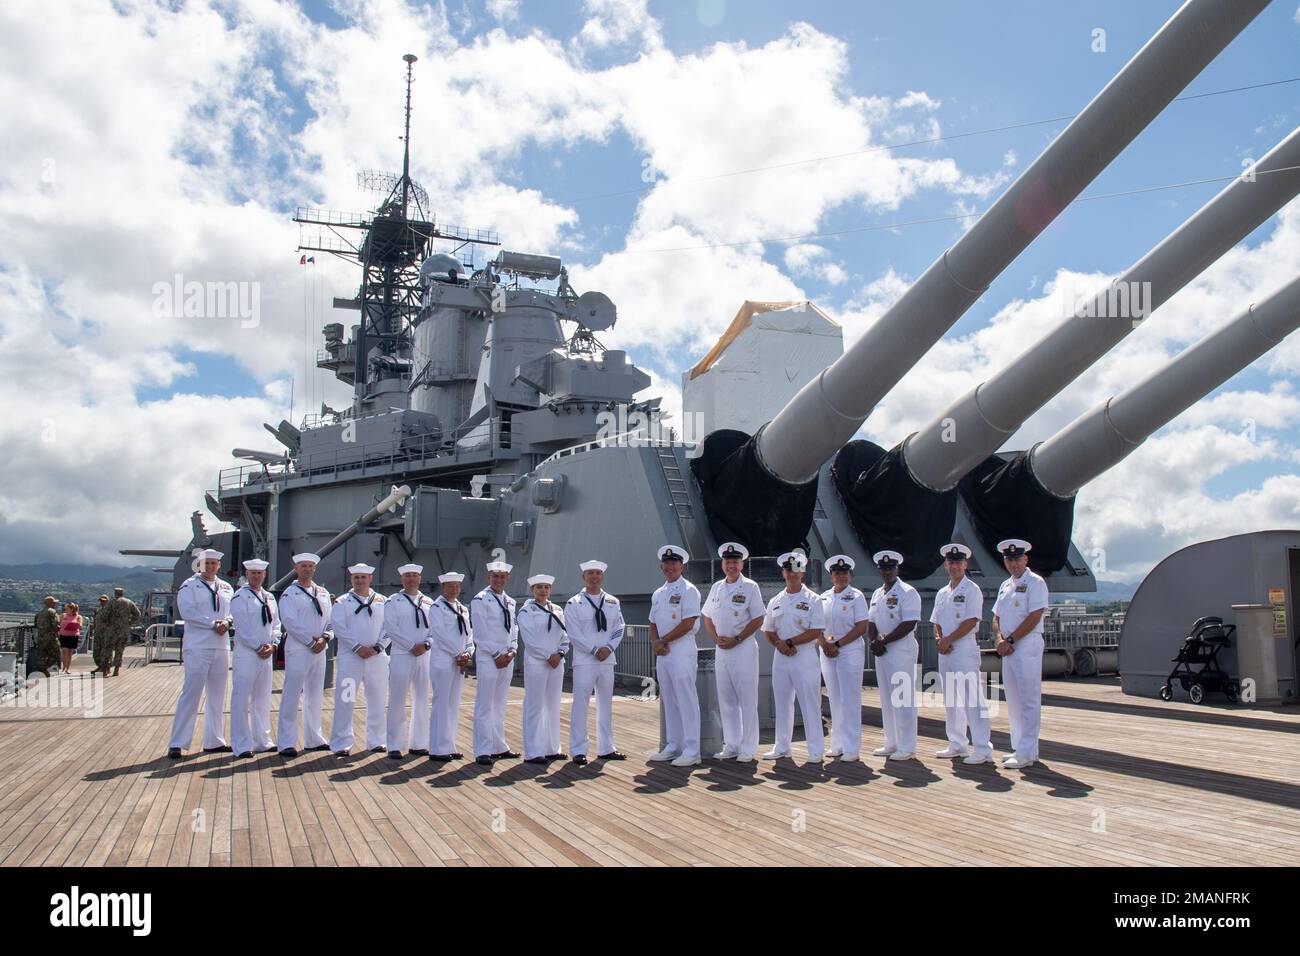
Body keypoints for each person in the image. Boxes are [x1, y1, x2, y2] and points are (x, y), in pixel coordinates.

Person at [700, 542, 764, 762]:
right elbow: (707, 615)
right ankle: (732, 744)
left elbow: (758, 618)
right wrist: (715, 637)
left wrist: (737, 638)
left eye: (735, 562)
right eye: (728, 562)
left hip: (743, 648)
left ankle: (748, 747)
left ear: (742, 564)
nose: (731, 566)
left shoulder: (750, 587)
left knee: (747, 699)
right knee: (726, 700)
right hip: (722, 650)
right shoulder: (717, 587)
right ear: (723, 564)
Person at [167, 549, 234, 758]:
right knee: (191, 693)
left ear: (219, 565)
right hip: (198, 645)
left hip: (221, 646)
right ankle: (177, 742)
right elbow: (187, 611)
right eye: (207, 563)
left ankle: (214, 741)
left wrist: (228, 622)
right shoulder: (189, 585)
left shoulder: (226, 587)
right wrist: (213, 623)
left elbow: (233, 611)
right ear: (200, 564)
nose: (210, 566)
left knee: (217, 695)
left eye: (214, 563)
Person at [931, 544, 993, 764]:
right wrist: (939, 639)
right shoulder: (942, 592)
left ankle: (983, 747)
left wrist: (948, 639)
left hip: (964, 648)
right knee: (951, 698)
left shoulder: (972, 589)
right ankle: (957, 743)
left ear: (965, 564)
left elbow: (971, 620)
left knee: (972, 698)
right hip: (945, 650)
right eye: (951, 562)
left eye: (959, 562)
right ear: (946, 564)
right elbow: (936, 621)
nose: (955, 566)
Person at [762, 551, 826, 763]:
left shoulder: (814, 600)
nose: (793, 574)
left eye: (797, 569)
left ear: (803, 572)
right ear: (783, 572)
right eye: (789, 570)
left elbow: (816, 630)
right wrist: (780, 645)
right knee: (782, 702)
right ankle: (782, 746)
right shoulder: (776, 600)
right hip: (781, 657)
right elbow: (768, 629)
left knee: (810, 703)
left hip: (804, 656)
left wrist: (790, 643)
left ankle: (816, 749)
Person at [993, 538, 1050, 769]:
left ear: (1026, 559)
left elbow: (1035, 615)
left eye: (1017, 559)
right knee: (1014, 699)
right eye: (1009, 559)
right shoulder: (1005, 585)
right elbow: (996, 616)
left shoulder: (1036, 582)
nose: (1013, 563)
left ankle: (1027, 751)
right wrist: (999, 639)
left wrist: (1011, 639)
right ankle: (1020, 747)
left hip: (1026, 645)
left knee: (1028, 698)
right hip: (1008, 648)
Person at [566, 559, 626, 766]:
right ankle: (578, 749)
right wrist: (593, 650)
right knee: (580, 704)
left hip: (607, 659)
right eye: (590, 573)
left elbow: (619, 627)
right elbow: (573, 633)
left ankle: (607, 747)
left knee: (605, 704)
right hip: (585, 660)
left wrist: (608, 648)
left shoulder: (612, 602)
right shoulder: (574, 603)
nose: (594, 577)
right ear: (584, 577)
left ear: (602, 577)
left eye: (598, 573)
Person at [647, 546, 702, 767]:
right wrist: (655, 642)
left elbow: (688, 622)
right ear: (662, 566)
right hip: (664, 651)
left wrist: (663, 641)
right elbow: (652, 621)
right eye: (666, 564)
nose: (670, 567)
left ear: (682, 566)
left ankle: (692, 749)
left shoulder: (689, 590)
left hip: (681, 649)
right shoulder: (659, 593)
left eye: (674, 563)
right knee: (668, 698)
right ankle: (673, 745)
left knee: (686, 698)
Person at [329, 563, 389, 756]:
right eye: (356, 578)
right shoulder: (342, 602)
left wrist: (378, 646)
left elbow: (389, 626)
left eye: (364, 577)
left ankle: (377, 741)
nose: (360, 580)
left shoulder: (382, 601)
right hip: (350, 659)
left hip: (377, 658)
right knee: (346, 699)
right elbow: (338, 627)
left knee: (378, 699)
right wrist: (357, 647)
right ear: (351, 579)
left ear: (370, 578)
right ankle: (341, 742)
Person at [867, 550, 921, 761]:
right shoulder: (878, 593)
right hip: (882, 651)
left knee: (903, 698)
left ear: (897, 569)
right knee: (887, 698)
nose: (887, 572)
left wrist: (884, 641)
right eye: (883, 569)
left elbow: (909, 623)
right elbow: (871, 621)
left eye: (890, 568)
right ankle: (892, 742)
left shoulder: (908, 592)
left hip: (900, 650)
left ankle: (907, 746)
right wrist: (873, 641)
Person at [276, 553, 333, 757]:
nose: (307, 569)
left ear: (314, 569)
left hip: (320, 648)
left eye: (310, 566)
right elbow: (289, 622)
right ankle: (286, 741)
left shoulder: (324, 593)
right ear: (296, 568)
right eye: (303, 566)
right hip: (299, 649)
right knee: (292, 694)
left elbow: (330, 621)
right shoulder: (290, 594)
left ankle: (314, 738)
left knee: (315, 695)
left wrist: (325, 638)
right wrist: (310, 641)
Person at [818, 555, 870, 761]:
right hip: (827, 651)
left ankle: (851, 747)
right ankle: (837, 744)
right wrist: (824, 644)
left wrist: (837, 644)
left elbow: (861, 626)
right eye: (837, 573)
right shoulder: (823, 598)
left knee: (850, 699)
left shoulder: (857, 597)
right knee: (835, 698)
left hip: (849, 651)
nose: (841, 576)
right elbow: (816, 625)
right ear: (831, 576)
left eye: (845, 573)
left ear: (850, 575)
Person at [228, 558, 280, 758]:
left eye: (260, 573)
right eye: (253, 573)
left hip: (266, 653)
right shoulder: (240, 597)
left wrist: (273, 643)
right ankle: (241, 744)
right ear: (247, 575)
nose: (257, 576)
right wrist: (258, 646)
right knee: (241, 698)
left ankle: (262, 740)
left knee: (262, 698)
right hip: (248, 653)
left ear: (264, 575)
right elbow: (241, 626)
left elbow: (276, 623)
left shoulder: (269, 598)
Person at [470, 561, 519, 766]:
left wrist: (513, 650)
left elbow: (513, 629)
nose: (499, 580)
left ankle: (499, 746)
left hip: (506, 657)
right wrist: (498, 653)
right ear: (488, 577)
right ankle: (482, 749)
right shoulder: (480, 600)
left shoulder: (510, 602)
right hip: (489, 657)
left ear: (507, 578)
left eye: (502, 576)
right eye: (495, 576)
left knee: (499, 704)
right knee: (484, 704)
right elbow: (479, 633)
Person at [518, 573, 569, 765]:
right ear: (532, 590)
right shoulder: (526, 611)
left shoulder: (557, 609)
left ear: (550, 590)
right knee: (534, 706)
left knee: (553, 705)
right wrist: (549, 655)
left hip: (557, 662)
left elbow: (565, 635)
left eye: (546, 587)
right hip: (537, 663)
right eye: (539, 587)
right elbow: (529, 639)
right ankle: (533, 751)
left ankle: (552, 748)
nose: (543, 590)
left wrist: (560, 653)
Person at [385, 563, 434, 759]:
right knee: (397, 699)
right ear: (402, 579)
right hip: (402, 655)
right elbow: (390, 627)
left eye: (414, 575)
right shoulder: (393, 601)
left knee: (422, 699)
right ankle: (395, 744)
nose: (411, 579)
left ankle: (419, 743)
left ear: (420, 579)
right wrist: (410, 645)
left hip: (424, 655)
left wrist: (426, 645)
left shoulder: (429, 602)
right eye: (407, 576)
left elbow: (435, 629)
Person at [428, 571, 474, 762]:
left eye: (457, 586)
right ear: (443, 587)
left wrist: (468, 652)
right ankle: (437, 748)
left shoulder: (462, 608)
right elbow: (439, 634)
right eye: (450, 586)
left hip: (459, 661)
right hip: (443, 660)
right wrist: (458, 653)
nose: (454, 589)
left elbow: (469, 634)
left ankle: (449, 745)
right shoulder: (436, 607)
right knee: (441, 703)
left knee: (453, 704)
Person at [98, 587, 140, 677]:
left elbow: (104, 615)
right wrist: (130, 623)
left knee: (107, 649)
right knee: (119, 650)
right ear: (122, 593)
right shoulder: (129, 602)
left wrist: (106, 623)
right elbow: (137, 614)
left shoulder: (111, 602)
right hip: (123, 630)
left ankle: (104, 669)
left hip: (111, 630)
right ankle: (116, 670)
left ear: (115, 593)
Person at [33, 596, 60, 676]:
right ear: (51, 603)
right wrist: (56, 632)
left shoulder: (39, 613)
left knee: (42, 654)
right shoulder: (52, 612)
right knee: (56, 654)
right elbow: (56, 625)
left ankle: (41, 668)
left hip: (40, 636)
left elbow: (36, 625)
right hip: (50, 636)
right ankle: (43, 667)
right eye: (54, 602)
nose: (55, 604)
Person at [57, 602, 83, 674]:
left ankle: (67, 668)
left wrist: (76, 624)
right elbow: (58, 624)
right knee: (64, 650)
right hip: (63, 635)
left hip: (73, 636)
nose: (65, 610)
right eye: (65, 609)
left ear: (72, 609)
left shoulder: (78, 617)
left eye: (67, 609)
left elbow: (80, 626)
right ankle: (63, 667)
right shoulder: (63, 615)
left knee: (69, 652)